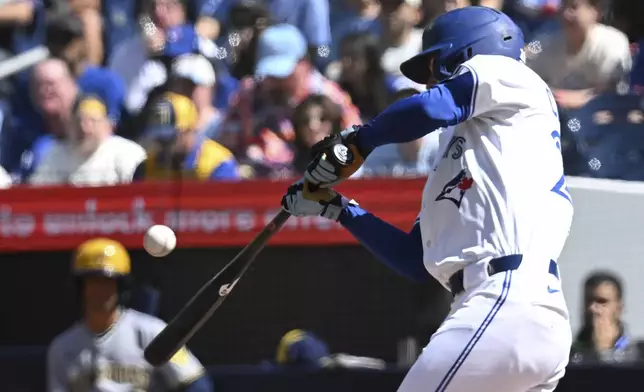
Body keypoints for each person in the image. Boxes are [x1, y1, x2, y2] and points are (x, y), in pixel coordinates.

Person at [281, 6, 573, 392]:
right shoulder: (472, 153)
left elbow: (429, 106)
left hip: (504, 298)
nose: (431, 79)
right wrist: (337, 207)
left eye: (437, 64)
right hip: (514, 313)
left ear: (471, 49)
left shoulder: (512, 75)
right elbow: (416, 261)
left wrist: (356, 142)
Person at [47, 238, 213, 391]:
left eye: (108, 282)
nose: (101, 290)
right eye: (93, 282)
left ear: (121, 287)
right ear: (80, 288)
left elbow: (196, 384)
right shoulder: (62, 348)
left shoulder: (152, 332)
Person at [570, 271, 644, 364]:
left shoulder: (638, 355)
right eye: (588, 301)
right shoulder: (568, 355)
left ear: (619, 308)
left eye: (602, 301)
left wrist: (604, 353)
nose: (593, 308)